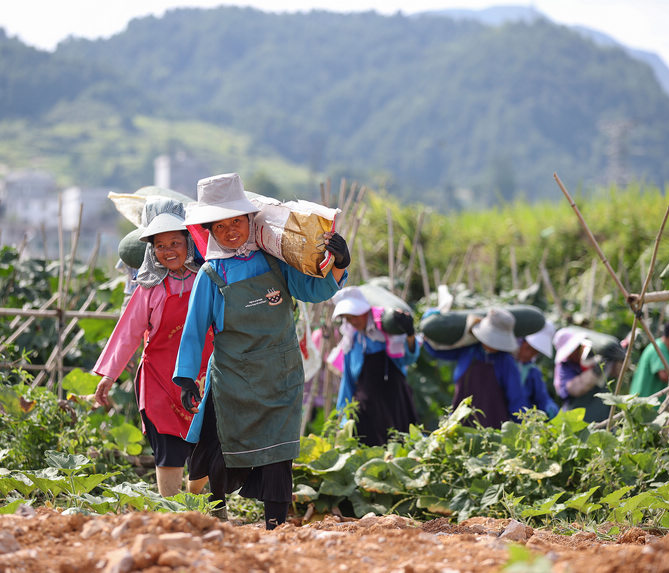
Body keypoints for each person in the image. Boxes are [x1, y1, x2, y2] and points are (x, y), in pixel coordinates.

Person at [172, 172, 350, 530]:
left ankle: (275, 526)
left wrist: (341, 263)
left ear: (250, 220)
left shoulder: (274, 262)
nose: (231, 230)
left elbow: (315, 291)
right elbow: (194, 330)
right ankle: (216, 510)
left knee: (279, 451)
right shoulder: (211, 274)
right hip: (233, 378)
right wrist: (187, 378)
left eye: (236, 220)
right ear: (209, 231)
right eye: (220, 226)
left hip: (279, 376)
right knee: (220, 450)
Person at [92, 198, 213, 497]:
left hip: (204, 378)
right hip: (159, 381)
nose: (169, 250)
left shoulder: (207, 281)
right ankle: (171, 511)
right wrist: (108, 376)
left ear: (189, 241)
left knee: (206, 447)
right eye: (160, 245)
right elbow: (127, 333)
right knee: (169, 450)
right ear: (152, 251)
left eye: (175, 242)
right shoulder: (149, 289)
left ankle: (206, 508)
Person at [332, 286, 420, 446]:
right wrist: (343, 420)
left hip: (395, 403)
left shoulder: (388, 335)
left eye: (355, 316)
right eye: (348, 318)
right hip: (365, 411)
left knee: (401, 449)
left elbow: (408, 359)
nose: (353, 321)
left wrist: (410, 335)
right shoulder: (351, 342)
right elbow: (348, 382)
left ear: (366, 311)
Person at [423, 307, 526, 428]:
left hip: (493, 429)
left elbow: (516, 398)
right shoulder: (469, 351)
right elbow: (436, 351)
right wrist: (428, 325)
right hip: (461, 422)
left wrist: (524, 426)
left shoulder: (505, 361)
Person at [552, 327, 612, 423]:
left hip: (601, 416)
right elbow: (575, 389)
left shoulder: (588, 358)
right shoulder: (564, 367)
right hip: (577, 418)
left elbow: (617, 373)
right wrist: (595, 371)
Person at [515, 321, 559, 419]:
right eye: (528, 349)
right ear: (522, 341)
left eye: (535, 352)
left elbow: (542, 397)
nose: (529, 355)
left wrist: (550, 408)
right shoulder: (504, 363)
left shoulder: (532, 371)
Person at [629, 316, 669, 399]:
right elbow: (664, 375)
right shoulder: (659, 349)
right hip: (644, 403)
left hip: (646, 402)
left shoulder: (664, 350)